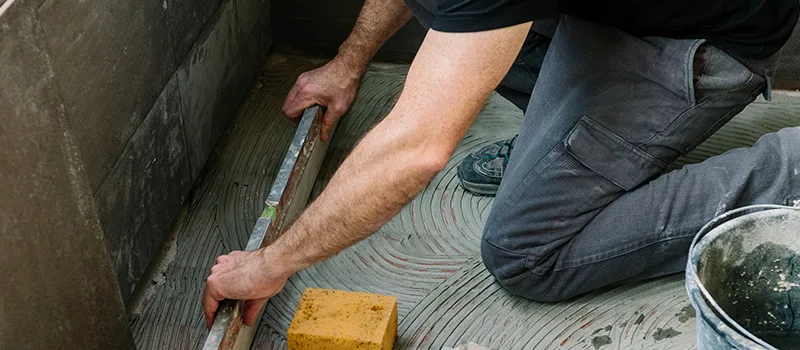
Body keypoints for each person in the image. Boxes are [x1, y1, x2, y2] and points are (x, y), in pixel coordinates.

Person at [202, 0, 800, 328]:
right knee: (464, 30)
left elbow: (417, 148)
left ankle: (788, 166)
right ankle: (579, 153)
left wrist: (271, 262)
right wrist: (348, 62)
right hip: (628, 15)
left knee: (526, 253)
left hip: (712, 40)